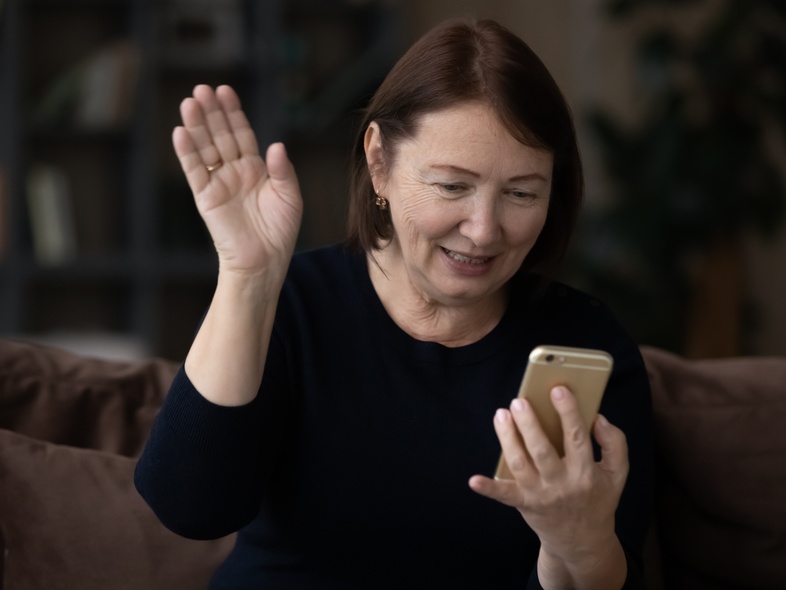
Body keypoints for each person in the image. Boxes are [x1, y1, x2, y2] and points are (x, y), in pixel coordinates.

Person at [135, 17, 652, 589]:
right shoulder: (294, 303)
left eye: (522, 193)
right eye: (452, 186)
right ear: (379, 160)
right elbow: (190, 509)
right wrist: (248, 277)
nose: (483, 230)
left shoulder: (584, 344)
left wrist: (577, 545)